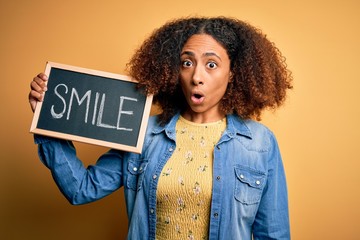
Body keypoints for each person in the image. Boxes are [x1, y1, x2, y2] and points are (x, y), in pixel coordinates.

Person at [29, 16, 293, 240]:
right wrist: (47, 119)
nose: (196, 77)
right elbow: (81, 189)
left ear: (233, 73)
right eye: (187, 63)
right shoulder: (144, 133)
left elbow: (273, 234)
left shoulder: (259, 143)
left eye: (211, 65)